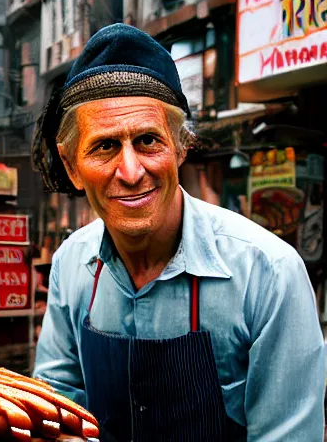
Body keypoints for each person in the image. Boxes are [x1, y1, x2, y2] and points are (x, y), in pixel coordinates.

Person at [31, 23, 326, 441]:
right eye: (104, 146)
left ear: (181, 147)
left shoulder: (269, 275)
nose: (131, 172)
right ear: (71, 165)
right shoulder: (71, 267)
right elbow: (55, 415)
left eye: (149, 141)